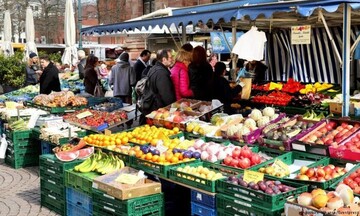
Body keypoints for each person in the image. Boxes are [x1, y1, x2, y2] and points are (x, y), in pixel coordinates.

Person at [142, 48, 176, 115]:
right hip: (158, 109)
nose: (172, 59)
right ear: (164, 59)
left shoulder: (154, 68)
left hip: (153, 107)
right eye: (170, 57)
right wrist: (172, 110)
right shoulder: (161, 73)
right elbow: (167, 96)